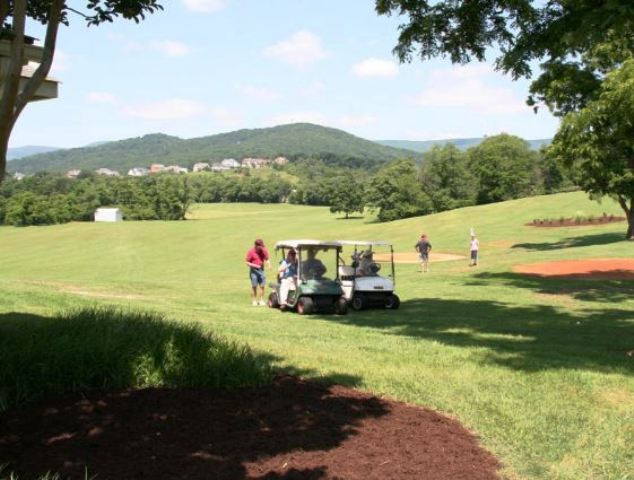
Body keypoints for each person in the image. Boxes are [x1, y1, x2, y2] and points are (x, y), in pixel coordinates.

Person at [245, 238, 271, 306]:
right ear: (256, 245)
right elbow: (247, 262)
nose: (262, 248)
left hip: (261, 270)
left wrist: (269, 264)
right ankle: (254, 300)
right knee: (254, 286)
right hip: (254, 271)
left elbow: (267, 259)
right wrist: (255, 265)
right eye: (260, 246)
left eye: (262, 246)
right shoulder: (251, 252)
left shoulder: (263, 250)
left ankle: (261, 300)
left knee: (262, 286)